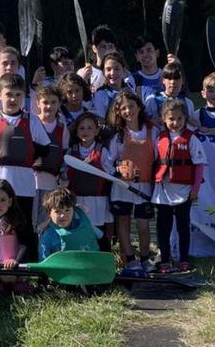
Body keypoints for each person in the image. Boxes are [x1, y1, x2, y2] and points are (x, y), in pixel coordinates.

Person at [0, 73, 42, 225]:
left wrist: (23, 146)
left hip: (24, 183)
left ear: (24, 96)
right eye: (9, 94)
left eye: (18, 95)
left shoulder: (32, 120)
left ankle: (27, 249)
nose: (13, 99)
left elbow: (44, 149)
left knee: (23, 226)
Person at [152, 100, 206, 273]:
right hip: (163, 191)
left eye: (179, 119)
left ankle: (184, 260)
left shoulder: (192, 139)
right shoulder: (159, 138)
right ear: (164, 119)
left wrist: (195, 189)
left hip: (184, 191)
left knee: (183, 227)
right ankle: (165, 260)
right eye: (171, 119)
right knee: (163, 227)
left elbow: (199, 165)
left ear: (185, 118)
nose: (175, 123)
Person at [108, 91, 157, 270]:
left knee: (143, 225)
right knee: (123, 222)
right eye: (123, 108)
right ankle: (130, 259)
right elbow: (109, 160)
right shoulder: (119, 135)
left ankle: (145, 257)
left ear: (138, 107)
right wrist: (116, 172)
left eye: (131, 106)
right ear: (119, 112)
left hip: (143, 186)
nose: (128, 111)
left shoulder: (152, 131)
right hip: (122, 187)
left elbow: (158, 157)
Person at [66, 112, 114, 252]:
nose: (85, 131)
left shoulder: (102, 151)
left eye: (89, 128)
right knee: (79, 231)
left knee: (98, 233)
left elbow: (109, 172)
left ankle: (104, 260)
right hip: (77, 200)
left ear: (96, 130)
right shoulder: (72, 150)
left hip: (97, 201)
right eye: (81, 128)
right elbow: (65, 173)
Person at [31, 85, 68, 227]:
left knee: (45, 222)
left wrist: (64, 175)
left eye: (53, 102)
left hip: (51, 182)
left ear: (59, 104)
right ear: (38, 103)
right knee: (30, 220)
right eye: (45, 102)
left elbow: (65, 153)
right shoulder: (32, 123)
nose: (49, 106)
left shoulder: (62, 127)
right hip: (31, 180)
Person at [37, 188, 104, 260]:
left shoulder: (86, 226)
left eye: (67, 210)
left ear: (73, 210)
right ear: (49, 213)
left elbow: (103, 239)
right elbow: (43, 262)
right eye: (57, 211)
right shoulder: (48, 236)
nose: (63, 215)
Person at [144, 61, 194, 128]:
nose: (173, 82)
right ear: (163, 80)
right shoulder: (153, 100)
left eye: (177, 78)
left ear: (183, 81)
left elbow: (192, 125)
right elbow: (146, 123)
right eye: (169, 78)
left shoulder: (188, 103)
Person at [78, 24, 119, 91]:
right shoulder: (83, 73)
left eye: (110, 47)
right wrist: (82, 81)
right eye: (103, 47)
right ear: (94, 48)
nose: (107, 51)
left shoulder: (123, 72)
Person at [91, 52, 130, 117]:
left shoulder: (131, 90)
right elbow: (100, 122)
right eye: (108, 69)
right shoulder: (100, 95)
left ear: (123, 70)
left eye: (117, 69)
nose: (112, 73)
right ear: (103, 72)